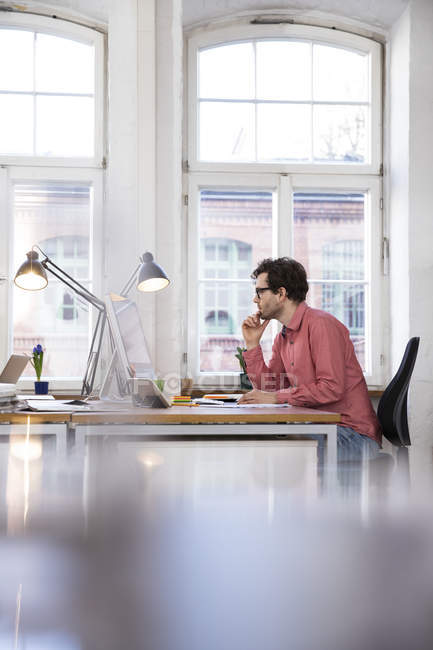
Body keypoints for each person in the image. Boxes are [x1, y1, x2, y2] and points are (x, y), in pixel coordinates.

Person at [238, 257, 381, 458]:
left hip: (351, 434)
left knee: (278, 450)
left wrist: (276, 397)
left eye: (260, 292)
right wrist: (252, 344)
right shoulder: (283, 336)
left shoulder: (321, 325)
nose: (255, 299)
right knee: (263, 443)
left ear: (281, 293)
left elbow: (331, 388)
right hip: (323, 428)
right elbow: (269, 387)